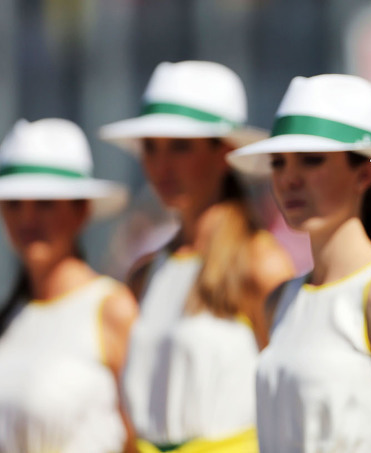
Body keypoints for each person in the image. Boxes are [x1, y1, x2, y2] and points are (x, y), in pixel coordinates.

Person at [227, 73, 371, 453]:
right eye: (278, 162)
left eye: (312, 160)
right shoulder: (280, 299)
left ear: (364, 173)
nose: (289, 178)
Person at [98, 60, 296, 452]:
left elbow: (292, 396)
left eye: (181, 147)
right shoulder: (145, 273)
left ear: (224, 153)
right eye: (150, 148)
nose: (161, 166)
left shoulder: (259, 264)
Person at [0, 118, 136, 453]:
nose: (27, 219)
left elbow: (140, 438)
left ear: (81, 211)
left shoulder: (111, 309)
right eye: (14, 203)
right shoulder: (12, 317)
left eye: (45, 203)